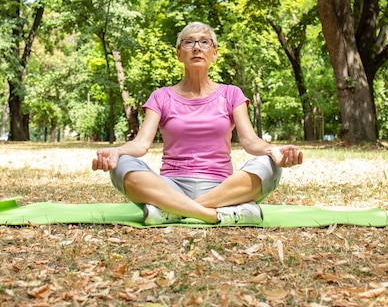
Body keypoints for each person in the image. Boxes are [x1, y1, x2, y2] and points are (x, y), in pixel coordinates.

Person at [92, 22, 303, 225]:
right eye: (188, 42)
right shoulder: (161, 96)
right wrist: (117, 152)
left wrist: (272, 150)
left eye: (204, 42)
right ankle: (213, 215)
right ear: (179, 54)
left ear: (215, 53)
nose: (196, 48)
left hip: (223, 188)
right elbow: (140, 144)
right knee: (121, 164)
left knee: (271, 164)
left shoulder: (231, 94)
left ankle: (173, 210)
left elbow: (250, 141)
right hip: (170, 186)